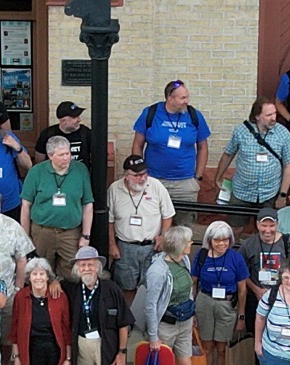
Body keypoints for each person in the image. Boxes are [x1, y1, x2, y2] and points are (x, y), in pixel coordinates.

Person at [135, 226, 203, 365]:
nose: (191, 244)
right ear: (179, 245)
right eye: (189, 241)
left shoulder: (184, 260)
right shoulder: (157, 271)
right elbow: (151, 305)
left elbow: (188, 291)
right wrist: (154, 336)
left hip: (185, 322)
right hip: (166, 325)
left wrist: (192, 313)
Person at [239, 211, 290, 365]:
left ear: (277, 224)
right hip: (255, 299)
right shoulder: (249, 244)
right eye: (264, 225)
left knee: (281, 339)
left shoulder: (287, 242)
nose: (267, 230)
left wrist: (282, 291)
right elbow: (241, 273)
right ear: (257, 225)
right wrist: (256, 290)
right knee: (255, 339)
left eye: (271, 225)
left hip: (282, 301)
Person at [191, 221, 250, 365]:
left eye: (226, 240)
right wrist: (192, 310)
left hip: (227, 304)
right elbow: (193, 284)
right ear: (210, 240)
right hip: (205, 302)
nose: (222, 244)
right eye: (218, 240)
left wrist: (241, 316)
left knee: (222, 348)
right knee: (207, 347)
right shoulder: (201, 257)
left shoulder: (235, 258)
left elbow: (242, 290)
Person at [130, 80, 211, 215]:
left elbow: (203, 147)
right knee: (152, 223)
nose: (187, 101)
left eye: (187, 97)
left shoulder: (194, 115)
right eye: (182, 98)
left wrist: (198, 177)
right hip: (154, 180)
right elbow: (137, 144)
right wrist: (139, 173)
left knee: (183, 228)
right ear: (170, 98)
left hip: (185, 183)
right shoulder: (151, 113)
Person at [21, 134, 94, 276]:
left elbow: (88, 205)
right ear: (50, 155)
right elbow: (25, 206)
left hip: (70, 233)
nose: (66, 158)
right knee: (40, 273)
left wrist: (86, 236)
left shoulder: (80, 170)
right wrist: (26, 236)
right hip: (42, 232)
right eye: (61, 155)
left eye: (68, 153)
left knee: (72, 274)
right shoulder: (36, 172)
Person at [107, 155, 174, 293]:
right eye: (137, 175)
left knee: (150, 289)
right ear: (126, 175)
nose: (142, 178)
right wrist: (112, 244)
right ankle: (128, 314)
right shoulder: (114, 189)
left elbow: (168, 215)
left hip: (151, 247)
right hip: (125, 247)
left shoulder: (156, 186)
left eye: (144, 173)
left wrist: (163, 236)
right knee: (125, 288)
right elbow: (110, 221)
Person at [215, 96, 290, 211]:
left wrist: (282, 195)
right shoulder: (241, 131)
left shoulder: (283, 133)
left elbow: (289, 165)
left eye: (274, 113)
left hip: (270, 193)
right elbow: (228, 154)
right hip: (242, 191)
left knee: (268, 228)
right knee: (236, 227)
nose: (273, 118)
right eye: (268, 115)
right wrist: (218, 178)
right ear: (257, 116)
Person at [35, 100, 94, 166]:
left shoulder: (86, 133)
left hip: (80, 175)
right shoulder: (47, 134)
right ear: (63, 121)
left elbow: (96, 158)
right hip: (54, 175)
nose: (79, 120)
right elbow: (39, 162)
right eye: (75, 117)